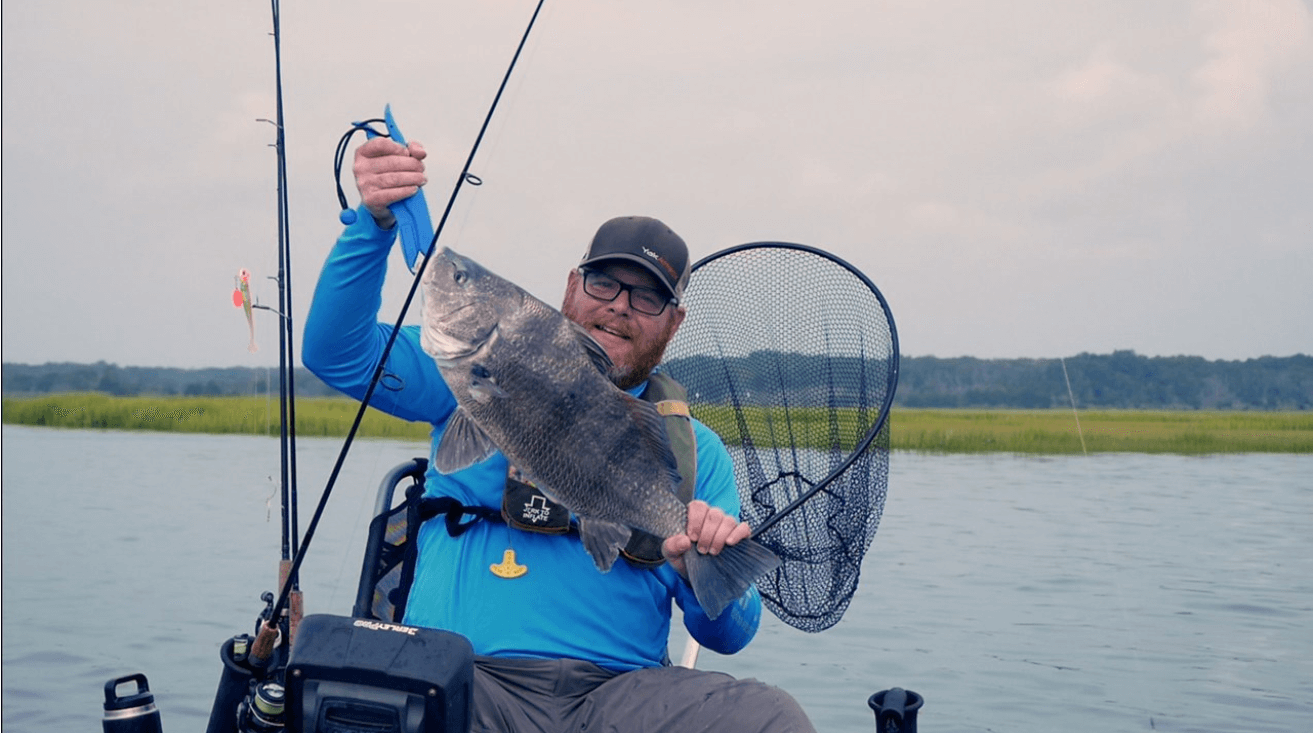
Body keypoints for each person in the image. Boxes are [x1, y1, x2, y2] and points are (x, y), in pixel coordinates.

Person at [303, 136, 815, 732]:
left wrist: (696, 563)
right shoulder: (473, 369)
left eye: (647, 296)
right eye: (604, 283)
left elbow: (732, 632)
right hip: (466, 677)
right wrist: (375, 223)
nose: (620, 306)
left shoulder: (695, 450)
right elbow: (335, 352)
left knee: (769, 718)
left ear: (673, 324)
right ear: (572, 286)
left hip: (620, 698)